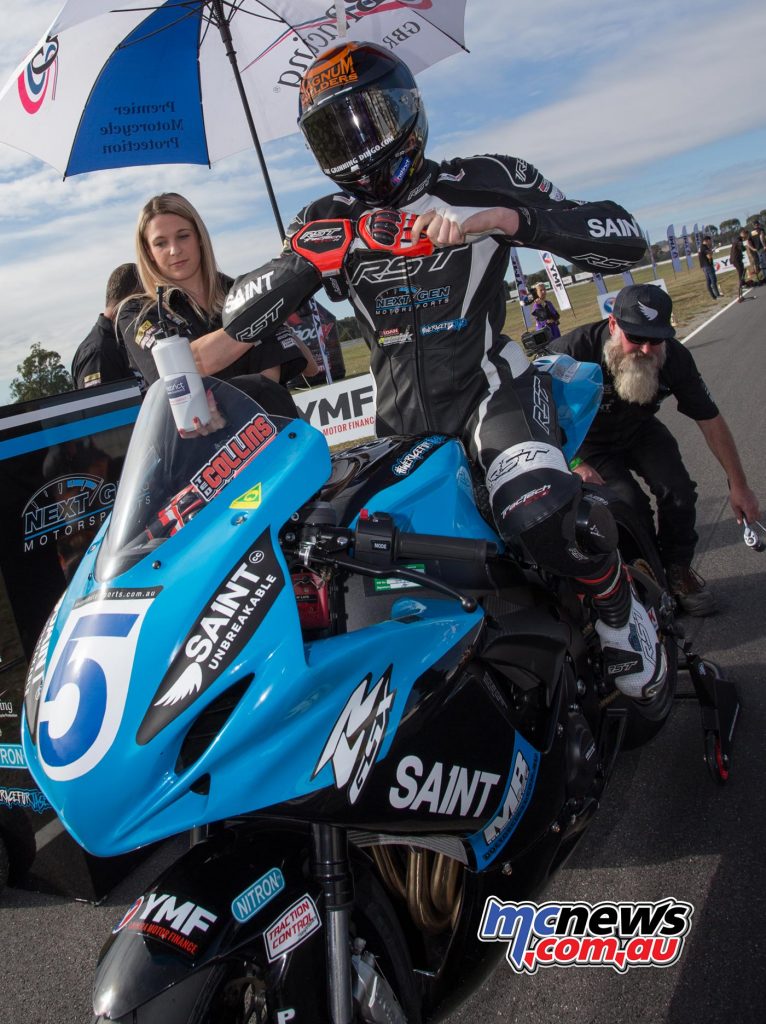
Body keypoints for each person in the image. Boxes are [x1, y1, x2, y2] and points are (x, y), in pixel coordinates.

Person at [222, 41, 667, 700]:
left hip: (494, 395)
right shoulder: (323, 220)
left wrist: (506, 219)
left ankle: (621, 613)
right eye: (333, 132)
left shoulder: (485, 177)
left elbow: (625, 235)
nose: (357, 143)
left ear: (407, 109)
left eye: (368, 118)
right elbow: (237, 318)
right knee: (347, 567)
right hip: (400, 430)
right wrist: (307, 262)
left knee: (537, 507)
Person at [549, 283, 760, 616]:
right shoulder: (571, 352)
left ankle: (677, 571)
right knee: (628, 504)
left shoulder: (674, 356)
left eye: (656, 340)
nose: (646, 350)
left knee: (679, 491)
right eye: (636, 339)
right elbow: (533, 414)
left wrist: (740, 485)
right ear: (613, 324)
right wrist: (571, 461)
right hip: (585, 442)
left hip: (640, 429)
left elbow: (710, 419)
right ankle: (646, 576)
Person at [117, 193, 317, 418]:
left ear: (199, 238)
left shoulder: (241, 290)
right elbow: (178, 368)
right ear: (148, 252)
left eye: (183, 236)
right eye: (160, 243)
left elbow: (308, 367)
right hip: (202, 447)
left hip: (278, 432)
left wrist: (293, 284)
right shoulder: (137, 312)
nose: (174, 250)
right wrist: (258, 318)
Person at [71, 262, 141, 389]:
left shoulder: (122, 341)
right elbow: (98, 407)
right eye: (147, 300)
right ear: (132, 299)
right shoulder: (99, 352)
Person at [698, 235, 721, 300]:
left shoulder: (701, 247)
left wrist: (710, 250)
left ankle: (713, 296)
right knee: (713, 280)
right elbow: (709, 256)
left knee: (709, 281)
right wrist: (712, 251)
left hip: (704, 266)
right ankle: (717, 295)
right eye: (710, 241)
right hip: (707, 265)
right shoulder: (704, 247)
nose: (710, 242)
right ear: (707, 241)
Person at [729, 229, 748, 302]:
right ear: (743, 234)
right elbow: (741, 247)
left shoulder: (738, 239)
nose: (746, 237)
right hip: (735, 259)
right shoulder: (738, 239)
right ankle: (741, 285)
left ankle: (743, 283)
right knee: (741, 271)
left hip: (737, 258)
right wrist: (743, 248)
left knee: (742, 270)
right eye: (746, 235)